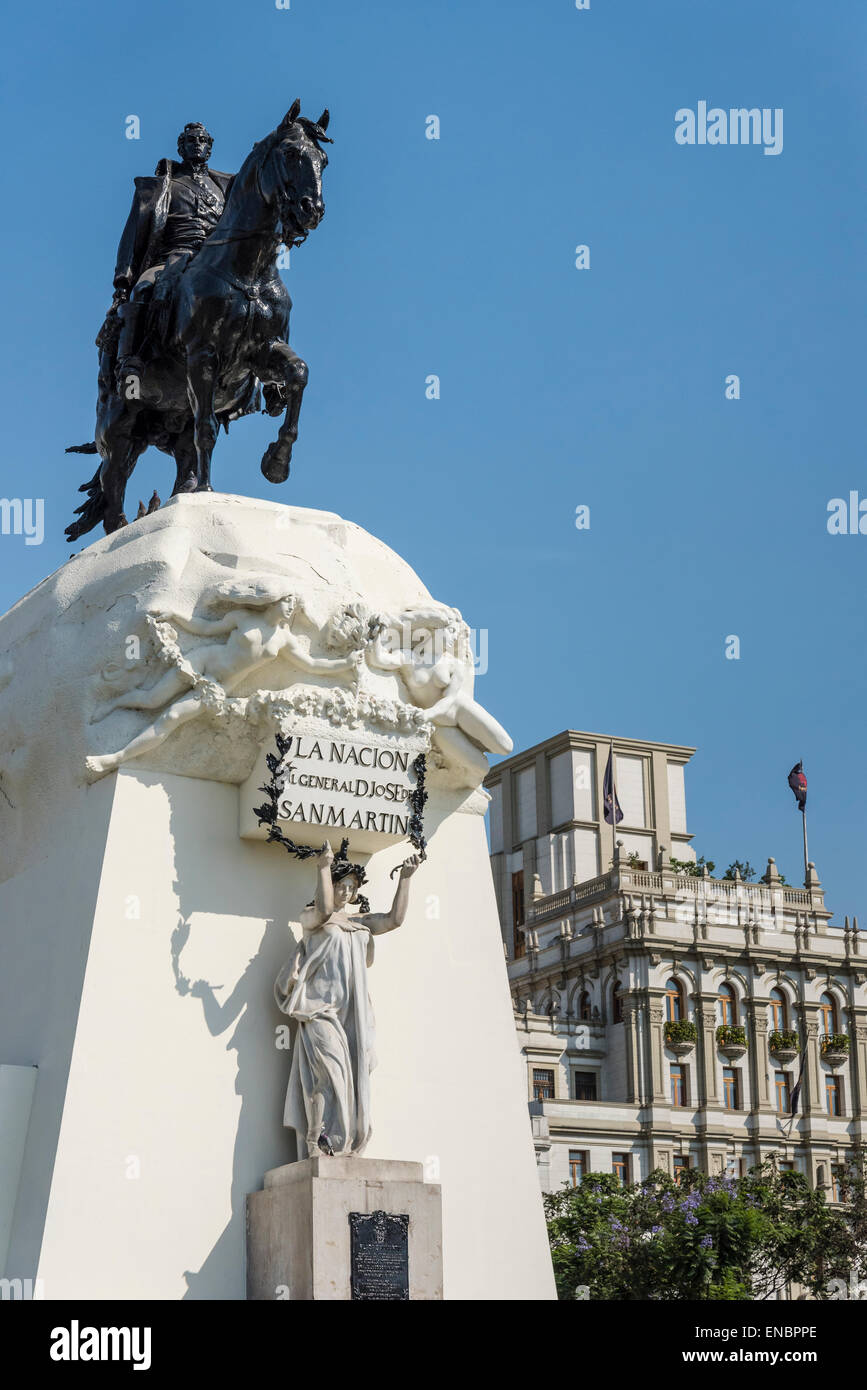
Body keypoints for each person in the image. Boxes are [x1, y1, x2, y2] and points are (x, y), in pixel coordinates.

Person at [86, 586, 363, 777]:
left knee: (170, 717)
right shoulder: (243, 617)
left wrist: (346, 664)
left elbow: (311, 664)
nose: (290, 607)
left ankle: (116, 757)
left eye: (294, 604)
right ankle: (115, 703)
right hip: (203, 660)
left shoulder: (284, 639)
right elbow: (205, 628)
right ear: (274, 600)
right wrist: (176, 617)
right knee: (151, 699)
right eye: (287, 600)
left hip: (220, 686)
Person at [274, 841, 420, 1158]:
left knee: (353, 1080)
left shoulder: (359, 923)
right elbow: (326, 909)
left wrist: (406, 878)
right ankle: (315, 1144)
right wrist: (323, 866)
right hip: (320, 1013)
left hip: (353, 1017)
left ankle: (344, 1141)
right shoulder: (313, 918)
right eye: (341, 886)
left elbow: (394, 920)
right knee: (328, 1077)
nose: (345, 893)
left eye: (350, 888)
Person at [110, 122, 234, 383]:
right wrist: (123, 283)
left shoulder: (225, 188)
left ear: (209, 148)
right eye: (191, 140)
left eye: (202, 140)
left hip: (215, 260)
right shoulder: (160, 187)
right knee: (143, 288)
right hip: (173, 256)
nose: (197, 144)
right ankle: (131, 359)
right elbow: (131, 236)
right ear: (181, 147)